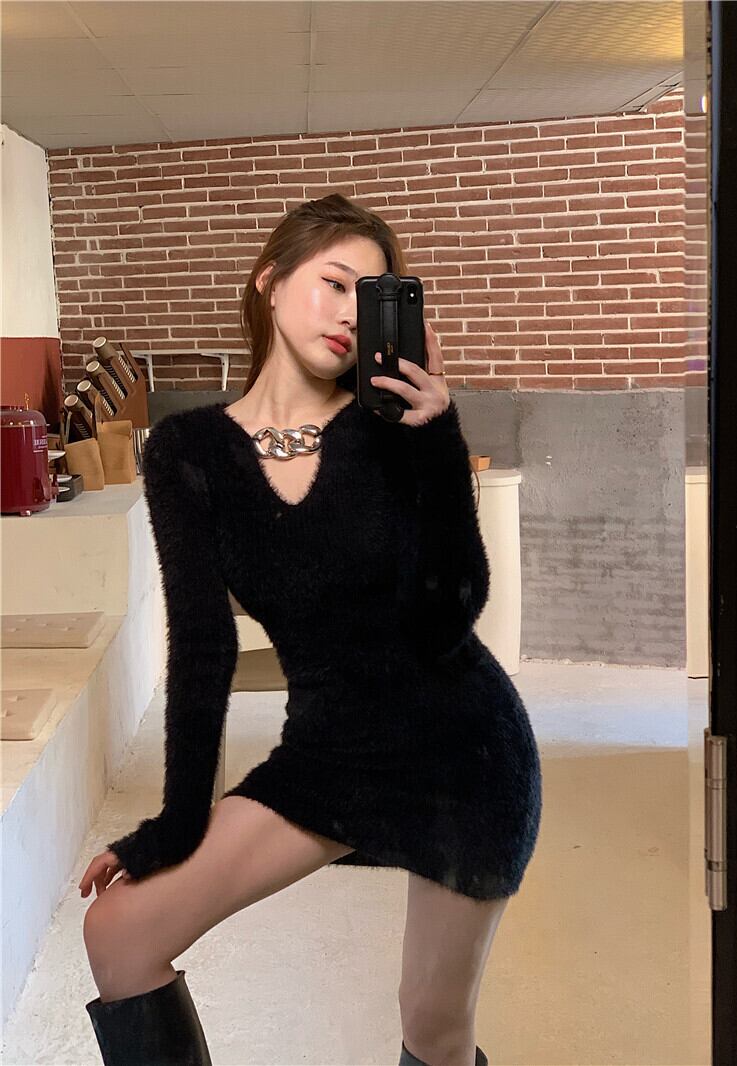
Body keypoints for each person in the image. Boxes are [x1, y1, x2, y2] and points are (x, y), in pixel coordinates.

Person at [78, 193, 542, 1066]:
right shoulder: (187, 450)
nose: (349, 314)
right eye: (334, 283)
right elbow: (203, 647)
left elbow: (451, 613)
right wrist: (175, 824)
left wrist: (438, 442)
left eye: (371, 294)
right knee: (119, 933)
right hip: (328, 750)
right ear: (270, 281)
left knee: (433, 1026)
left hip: (460, 749)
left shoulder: (389, 429)